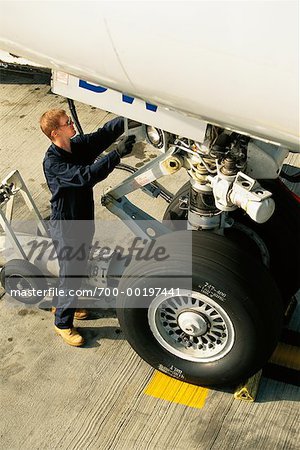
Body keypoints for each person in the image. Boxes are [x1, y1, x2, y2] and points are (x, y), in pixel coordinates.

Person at [40, 109, 135, 346]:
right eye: (67, 122)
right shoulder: (54, 162)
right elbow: (85, 176)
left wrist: (129, 118)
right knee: (71, 272)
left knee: (77, 267)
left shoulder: (76, 145)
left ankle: (67, 303)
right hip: (67, 225)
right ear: (55, 132)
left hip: (82, 218)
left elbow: (102, 135)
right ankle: (62, 323)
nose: (72, 124)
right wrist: (116, 155)